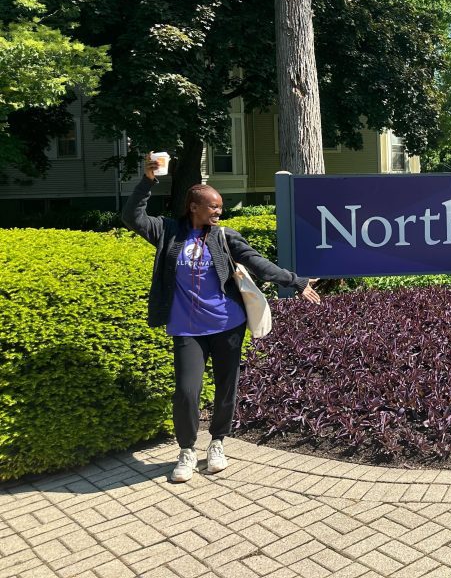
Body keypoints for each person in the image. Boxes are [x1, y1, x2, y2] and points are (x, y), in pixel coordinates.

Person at [122, 153, 321, 483]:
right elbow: (132, 216)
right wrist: (148, 180)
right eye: (213, 206)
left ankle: (217, 443)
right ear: (194, 207)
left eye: (220, 206)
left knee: (226, 388)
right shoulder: (168, 232)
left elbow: (258, 263)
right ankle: (187, 450)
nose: (219, 211)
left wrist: (295, 281)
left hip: (227, 325)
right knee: (186, 391)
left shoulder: (225, 236)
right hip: (187, 329)